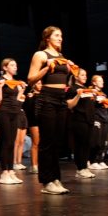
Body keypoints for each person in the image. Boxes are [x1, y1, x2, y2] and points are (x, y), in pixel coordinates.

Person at [27, 26, 73, 195]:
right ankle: (47, 181)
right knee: (47, 141)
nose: (60, 38)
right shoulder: (41, 55)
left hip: (61, 99)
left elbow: (65, 81)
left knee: (57, 141)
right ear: (47, 38)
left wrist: (71, 70)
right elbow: (31, 79)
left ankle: (56, 178)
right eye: (57, 35)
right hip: (47, 98)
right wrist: (46, 68)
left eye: (61, 35)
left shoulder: (61, 57)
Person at [0, 58, 25, 184]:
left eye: (16, 65)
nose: (15, 67)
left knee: (12, 142)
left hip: (15, 112)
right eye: (12, 65)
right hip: (4, 112)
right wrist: (0, 88)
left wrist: (22, 89)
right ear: (5, 67)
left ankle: (11, 171)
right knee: (6, 141)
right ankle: (4, 172)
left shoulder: (16, 82)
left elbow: (18, 98)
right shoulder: (1, 80)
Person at [66, 68, 96, 179]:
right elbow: (69, 105)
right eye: (82, 75)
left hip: (89, 120)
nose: (85, 76)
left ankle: (85, 167)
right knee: (80, 145)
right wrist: (78, 95)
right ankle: (80, 168)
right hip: (79, 120)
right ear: (76, 77)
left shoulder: (87, 89)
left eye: (86, 75)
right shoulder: (72, 89)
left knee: (87, 144)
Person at [88, 75, 108, 170]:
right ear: (94, 83)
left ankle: (100, 160)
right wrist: (96, 99)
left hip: (104, 119)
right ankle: (92, 160)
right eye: (100, 81)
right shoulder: (91, 92)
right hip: (97, 118)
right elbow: (90, 104)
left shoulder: (103, 93)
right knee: (96, 141)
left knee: (103, 141)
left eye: (103, 80)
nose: (103, 82)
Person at [25, 80, 42, 173]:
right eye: (38, 83)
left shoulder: (43, 95)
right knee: (35, 143)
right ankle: (34, 165)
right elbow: (28, 109)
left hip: (42, 120)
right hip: (34, 121)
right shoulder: (30, 95)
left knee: (42, 144)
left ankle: (39, 164)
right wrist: (31, 98)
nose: (40, 85)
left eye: (41, 83)